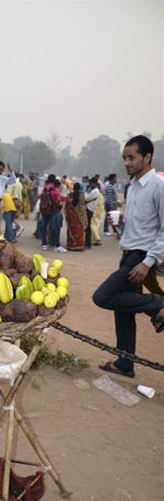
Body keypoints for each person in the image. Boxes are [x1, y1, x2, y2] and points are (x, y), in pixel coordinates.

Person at [93, 135, 164, 378]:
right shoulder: (132, 186)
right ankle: (126, 362)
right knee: (123, 311)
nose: (127, 162)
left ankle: (159, 304)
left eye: (132, 157)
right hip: (128, 252)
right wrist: (121, 223)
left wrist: (148, 262)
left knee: (103, 296)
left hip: (142, 257)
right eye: (125, 157)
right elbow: (138, 225)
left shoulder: (159, 186)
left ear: (147, 157)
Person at [40, 174, 67, 253]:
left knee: (44, 227)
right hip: (52, 211)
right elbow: (58, 201)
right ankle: (57, 246)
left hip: (44, 210)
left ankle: (44, 244)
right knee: (55, 228)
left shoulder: (45, 188)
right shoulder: (55, 189)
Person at [64, 182, 87, 251]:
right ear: (80, 188)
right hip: (80, 218)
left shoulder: (69, 196)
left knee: (72, 231)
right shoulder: (82, 196)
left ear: (73, 188)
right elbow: (82, 208)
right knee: (79, 232)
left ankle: (71, 246)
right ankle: (79, 246)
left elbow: (66, 207)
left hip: (71, 219)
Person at [84, 177, 100, 249]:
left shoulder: (95, 191)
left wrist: (86, 193)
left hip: (89, 209)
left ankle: (88, 243)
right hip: (89, 208)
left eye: (91, 183)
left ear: (94, 183)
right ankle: (87, 242)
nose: (90, 185)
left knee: (87, 226)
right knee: (87, 226)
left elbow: (86, 198)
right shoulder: (93, 190)